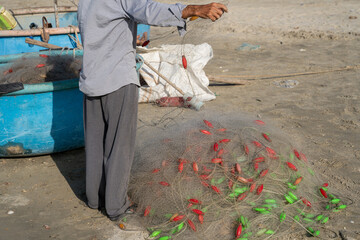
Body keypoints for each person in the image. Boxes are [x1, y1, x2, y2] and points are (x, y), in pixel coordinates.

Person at [77, 0, 228, 221]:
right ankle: (116, 207)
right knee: (120, 145)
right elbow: (149, 10)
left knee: (95, 142)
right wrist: (194, 10)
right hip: (117, 79)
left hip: (92, 79)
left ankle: (94, 199)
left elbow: (103, 27)